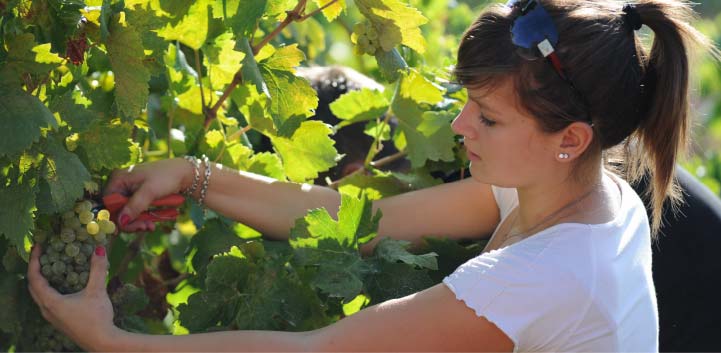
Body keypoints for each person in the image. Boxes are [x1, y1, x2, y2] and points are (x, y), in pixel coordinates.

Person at [27, 0, 717, 351]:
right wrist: (195, 175)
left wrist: (114, 343)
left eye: (487, 118)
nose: (458, 128)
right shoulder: (578, 189)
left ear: (568, 138)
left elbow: (320, 351)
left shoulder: (553, 271)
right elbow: (359, 221)